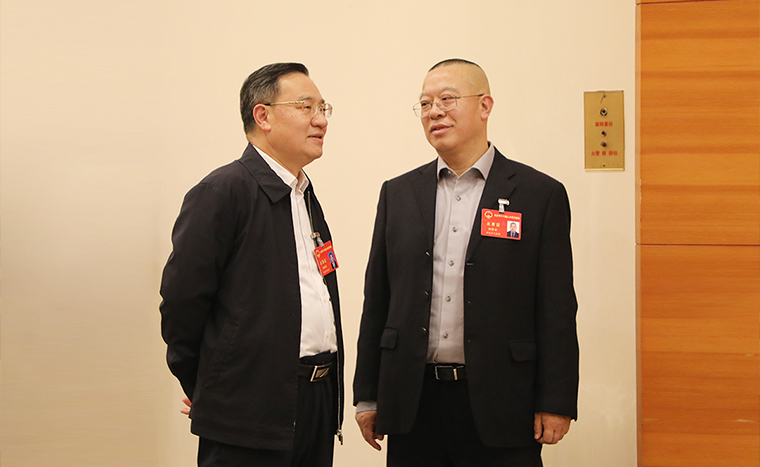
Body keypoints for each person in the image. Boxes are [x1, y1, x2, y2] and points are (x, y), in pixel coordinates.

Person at [353, 59, 578, 467]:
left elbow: (557, 307)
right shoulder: (398, 194)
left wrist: (556, 399)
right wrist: (368, 395)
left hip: (503, 402)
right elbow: (379, 299)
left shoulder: (538, 194)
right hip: (413, 403)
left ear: (485, 106)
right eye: (425, 104)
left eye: (447, 99)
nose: (434, 111)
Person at [160, 62, 344, 467]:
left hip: (316, 399)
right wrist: (210, 385)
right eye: (306, 107)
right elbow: (180, 305)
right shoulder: (222, 192)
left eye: (323, 108)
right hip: (247, 411)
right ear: (263, 116)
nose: (321, 120)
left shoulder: (304, 195)